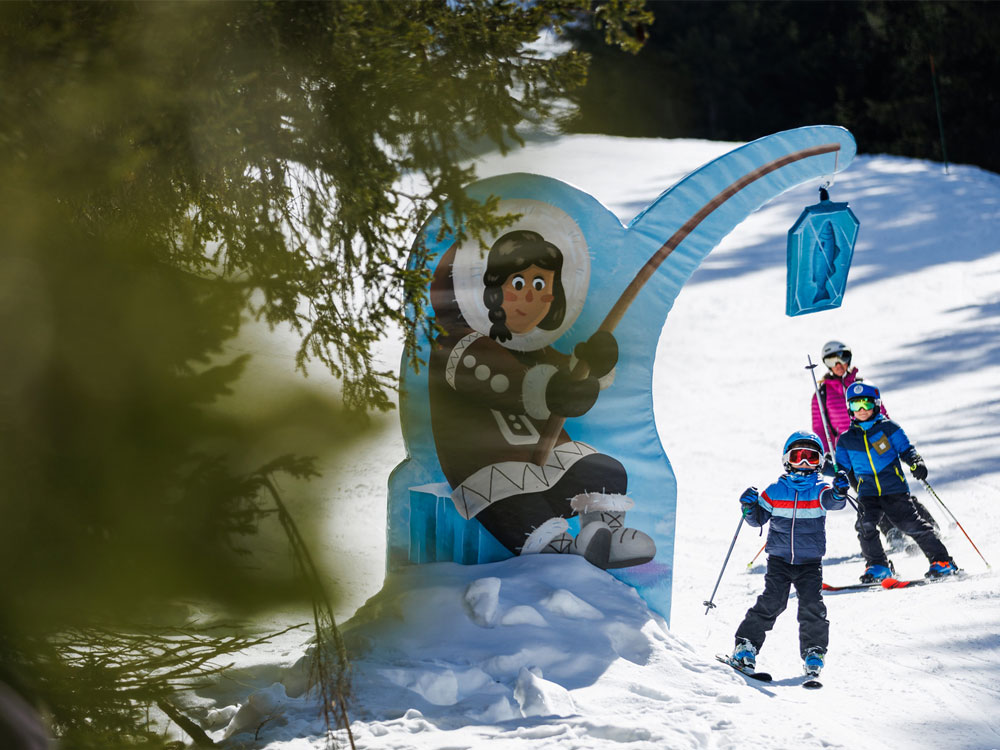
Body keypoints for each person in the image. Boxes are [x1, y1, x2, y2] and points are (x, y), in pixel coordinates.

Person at [428, 229, 656, 569]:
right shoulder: (456, 346)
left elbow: (567, 373)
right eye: (519, 285)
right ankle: (557, 551)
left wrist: (592, 366)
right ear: (486, 290)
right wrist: (550, 390)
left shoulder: (532, 346)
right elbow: (499, 379)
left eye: (541, 285)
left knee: (604, 470)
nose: (532, 298)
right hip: (488, 464)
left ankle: (602, 536)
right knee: (516, 504)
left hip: (546, 457)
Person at [729, 431, 849, 678]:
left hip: (809, 562)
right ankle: (746, 645)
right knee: (773, 602)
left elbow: (833, 502)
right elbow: (757, 519)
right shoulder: (775, 490)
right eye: (799, 456)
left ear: (819, 462)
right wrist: (749, 507)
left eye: (811, 457)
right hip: (779, 560)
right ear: (787, 459)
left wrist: (839, 492)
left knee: (812, 605)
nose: (804, 463)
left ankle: (814, 651)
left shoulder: (820, 489)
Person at [811, 340, 937, 548]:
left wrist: (888, 437)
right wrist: (826, 452)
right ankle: (891, 532)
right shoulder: (822, 393)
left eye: (842, 357)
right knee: (867, 495)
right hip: (848, 451)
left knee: (892, 488)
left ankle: (928, 525)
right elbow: (820, 426)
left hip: (877, 444)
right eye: (832, 360)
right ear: (826, 364)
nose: (838, 363)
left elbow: (882, 414)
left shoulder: (863, 384)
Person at [834, 382, 959, 582]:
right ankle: (878, 566)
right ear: (850, 409)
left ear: (875, 404)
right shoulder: (846, 439)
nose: (862, 410)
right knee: (865, 525)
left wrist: (916, 462)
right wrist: (839, 477)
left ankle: (942, 561)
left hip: (894, 489)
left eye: (866, 404)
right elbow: (841, 466)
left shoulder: (889, 428)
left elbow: (906, 450)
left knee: (910, 524)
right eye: (856, 406)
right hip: (867, 492)